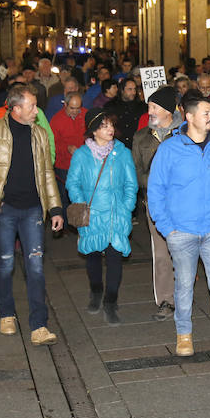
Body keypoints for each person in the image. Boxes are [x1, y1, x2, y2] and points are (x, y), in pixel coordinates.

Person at [146, 93, 210, 367]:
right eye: (205, 112)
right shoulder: (169, 149)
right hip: (182, 231)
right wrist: (168, 228)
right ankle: (184, 335)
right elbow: (155, 190)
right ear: (189, 117)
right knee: (183, 285)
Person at [0, 84, 64, 346]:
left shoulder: (40, 135)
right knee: (6, 264)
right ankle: (7, 314)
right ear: (16, 108)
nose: (36, 110)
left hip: (33, 209)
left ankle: (39, 325)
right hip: (4, 209)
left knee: (35, 267)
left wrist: (55, 208)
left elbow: (46, 173)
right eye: (32, 106)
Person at [66, 110, 138, 325]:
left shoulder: (122, 153)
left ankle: (110, 302)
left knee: (115, 257)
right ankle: (96, 291)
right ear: (94, 130)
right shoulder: (81, 155)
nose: (110, 130)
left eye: (111, 125)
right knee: (93, 257)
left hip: (117, 214)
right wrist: (83, 204)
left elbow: (131, 184)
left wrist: (126, 207)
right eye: (105, 126)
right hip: (92, 214)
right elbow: (72, 183)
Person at [132, 86, 182, 321]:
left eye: (154, 107)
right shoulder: (141, 137)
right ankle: (166, 300)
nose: (149, 111)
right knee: (161, 254)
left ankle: (185, 295)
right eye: (149, 106)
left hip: (185, 203)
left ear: (169, 111)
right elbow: (136, 172)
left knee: (186, 252)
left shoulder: (187, 134)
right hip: (156, 205)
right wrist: (155, 183)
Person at [49, 91, 86, 229]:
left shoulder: (85, 115)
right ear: (65, 105)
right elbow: (52, 143)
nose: (76, 112)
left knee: (82, 194)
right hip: (64, 165)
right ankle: (64, 224)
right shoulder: (57, 120)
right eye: (72, 108)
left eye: (78, 108)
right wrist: (67, 147)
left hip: (83, 164)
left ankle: (80, 224)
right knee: (65, 196)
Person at [104, 78, 148, 149]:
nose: (133, 92)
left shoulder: (142, 106)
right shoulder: (111, 106)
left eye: (134, 89)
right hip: (117, 145)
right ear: (122, 90)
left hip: (136, 145)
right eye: (130, 89)